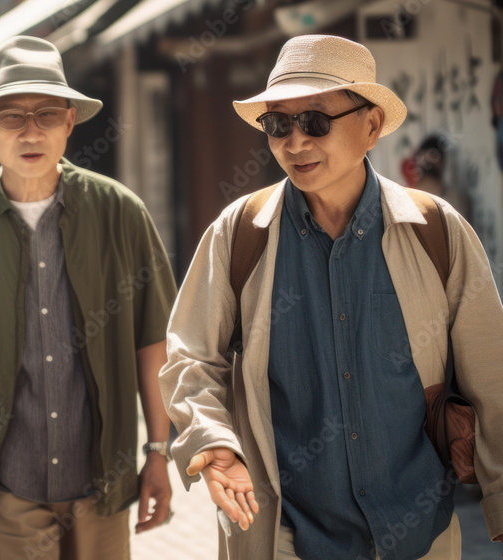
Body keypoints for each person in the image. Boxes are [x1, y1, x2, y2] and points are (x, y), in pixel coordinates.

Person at [161, 35, 503, 559]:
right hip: (286, 540)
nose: (295, 143)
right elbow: (191, 358)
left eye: (316, 121)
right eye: (278, 125)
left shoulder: (436, 230)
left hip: (421, 539)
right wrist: (212, 442)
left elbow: (492, 377)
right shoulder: (240, 234)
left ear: (370, 126)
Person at [0, 36, 177, 559]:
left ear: (70, 121)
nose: (31, 131)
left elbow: (153, 342)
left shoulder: (121, 212)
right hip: (6, 489)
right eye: (12, 117)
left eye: (46, 114)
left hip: (101, 486)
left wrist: (157, 452)